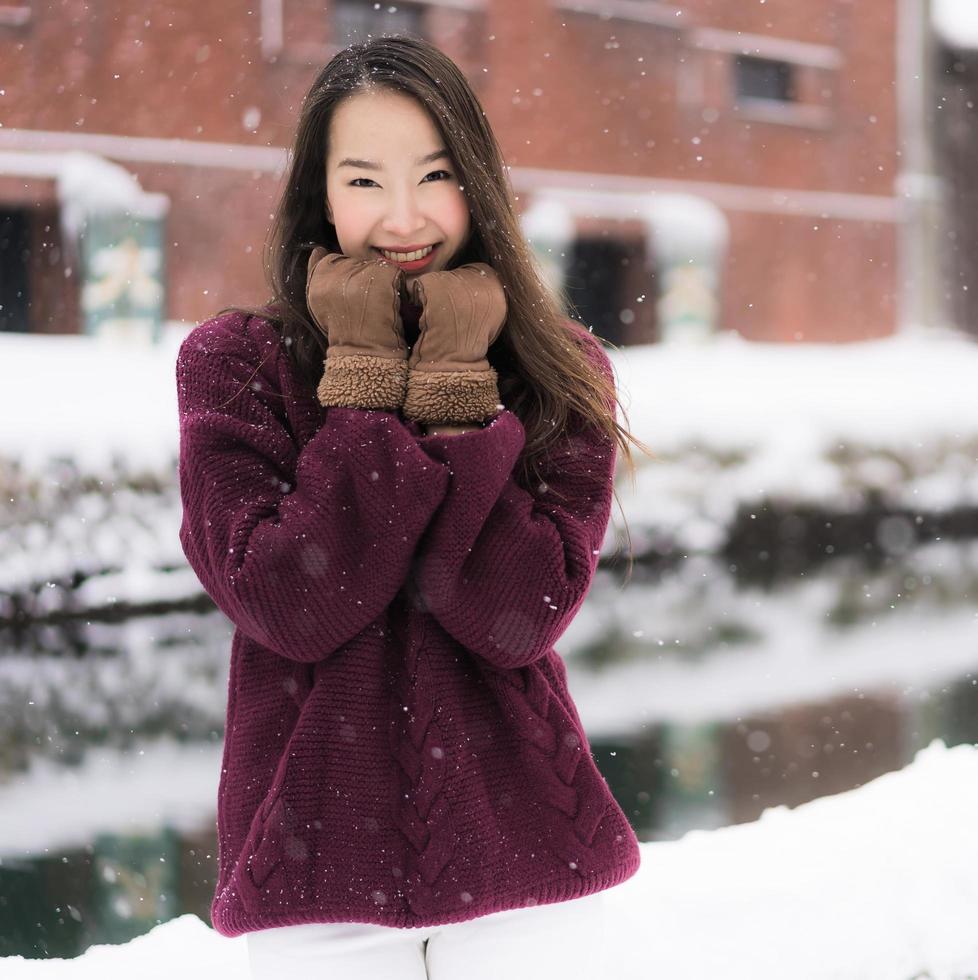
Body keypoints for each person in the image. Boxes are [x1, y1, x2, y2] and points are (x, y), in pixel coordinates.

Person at [175, 34, 652, 979]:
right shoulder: (235, 366)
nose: (402, 217)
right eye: (362, 181)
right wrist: (360, 382)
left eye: (434, 174)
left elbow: (519, 616)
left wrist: (455, 389)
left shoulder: (559, 371)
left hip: (529, 871)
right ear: (320, 194)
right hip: (309, 882)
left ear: (477, 180)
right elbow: (289, 605)